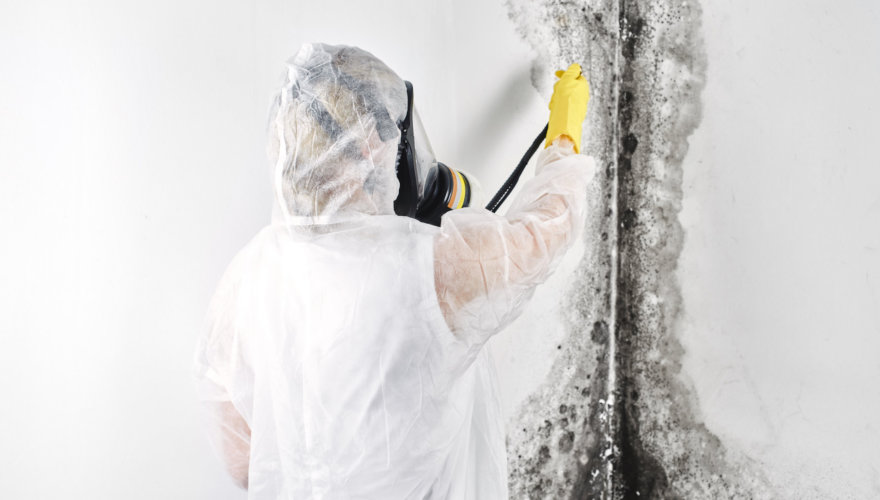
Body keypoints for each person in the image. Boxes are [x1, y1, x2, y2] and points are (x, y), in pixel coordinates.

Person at [194, 43, 594, 499]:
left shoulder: (248, 275)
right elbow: (543, 234)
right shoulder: (428, 269)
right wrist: (564, 134)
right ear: (370, 145)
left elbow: (238, 451)